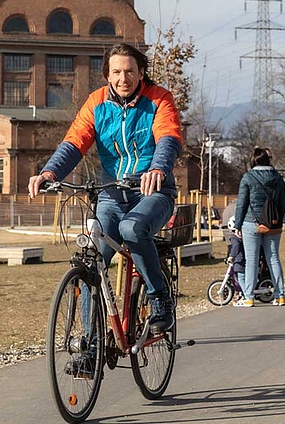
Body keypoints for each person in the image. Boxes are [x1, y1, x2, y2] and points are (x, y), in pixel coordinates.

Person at [28, 43, 182, 334]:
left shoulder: (160, 99)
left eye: (130, 71)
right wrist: (49, 172)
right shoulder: (96, 102)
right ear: (107, 75)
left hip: (152, 191)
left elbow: (168, 137)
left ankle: (159, 297)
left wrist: (159, 168)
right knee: (91, 261)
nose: (123, 78)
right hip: (111, 192)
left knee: (132, 230)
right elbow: (75, 142)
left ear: (141, 73)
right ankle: (91, 344)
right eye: (116, 72)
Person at [232, 148, 285, 307]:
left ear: (253, 160)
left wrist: (237, 225)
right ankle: (280, 295)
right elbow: (283, 203)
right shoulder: (278, 178)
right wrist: (279, 219)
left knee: (251, 260)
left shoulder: (248, 177)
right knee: (274, 257)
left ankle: (248, 297)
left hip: (251, 222)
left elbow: (242, 203)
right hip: (273, 223)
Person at [225, 216, 247, 302]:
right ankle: (242, 294)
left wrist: (231, 257)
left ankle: (246, 295)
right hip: (246, 260)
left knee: (241, 278)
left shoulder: (235, 238)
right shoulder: (244, 237)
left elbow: (235, 248)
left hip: (239, 262)